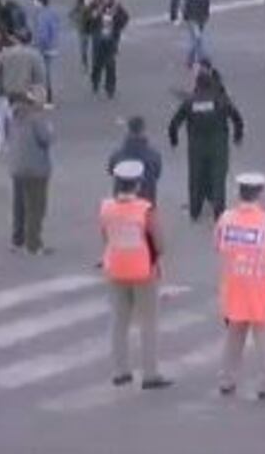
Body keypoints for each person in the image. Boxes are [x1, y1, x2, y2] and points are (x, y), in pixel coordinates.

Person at [214, 173, 265, 399]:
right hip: (260, 286)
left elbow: (218, 245)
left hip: (234, 283)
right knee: (263, 336)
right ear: (260, 193)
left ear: (240, 192)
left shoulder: (226, 219)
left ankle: (227, 379)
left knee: (234, 334)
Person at [100, 160, 173, 391]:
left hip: (115, 268)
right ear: (138, 184)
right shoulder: (145, 209)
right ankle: (150, 373)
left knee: (119, 321)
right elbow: (160, 244)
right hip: (143, 271)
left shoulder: (106, 207)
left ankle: (120, 370)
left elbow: (105, 236)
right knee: (148, 322)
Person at [168, 69, 244, 221]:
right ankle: (219, 211)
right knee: (218, 177)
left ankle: (195, 210)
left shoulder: (190, 101)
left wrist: (174, 140)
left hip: (196, 145)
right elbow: (237, 118)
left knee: (196, 177)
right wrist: (237, 136)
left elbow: (174, 123)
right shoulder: (220, 100)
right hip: (218, 144)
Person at [7, 86, 53, 255]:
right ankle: (33, 244)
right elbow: (46, 139)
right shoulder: (37, 118)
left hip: (17, 165)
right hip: (35, 167)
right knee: (35, 207)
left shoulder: (15, 115)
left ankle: (17, 240)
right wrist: (50, 128)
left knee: (19, 205)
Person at [108, 116, 163, 204]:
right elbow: (157, 174)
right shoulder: (154, 155)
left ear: (128, 130)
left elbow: (111, 171)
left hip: (121, 201)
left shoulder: (117, 155)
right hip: (147, 200)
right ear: (143, 130)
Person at [90, 0, 129, 99]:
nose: (105, 0)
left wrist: (116, 18)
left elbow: (125, 19)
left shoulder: (117, 8)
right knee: (97, 64)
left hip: (111, 40)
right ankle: (95, 81)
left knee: (110, 64)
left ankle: (110, 88)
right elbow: (90, 20)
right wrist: (97, 13)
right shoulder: (97, 7)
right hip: (99, 40)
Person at [0, 27, 46, 104]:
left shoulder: (4, 53)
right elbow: (40, 76)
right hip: (28, 91)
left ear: (16, 39)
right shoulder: (35, 54)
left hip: (9, 90)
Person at [183, 0, 212, 69]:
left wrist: (185, 13)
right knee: (198, 37)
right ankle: (199, 58)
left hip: (193, 14)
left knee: (196, 38)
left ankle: (195, 58)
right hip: (203, 13)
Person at [32, 0, 60, 105]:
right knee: (47, 72)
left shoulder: (42, 15)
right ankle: (47, 97)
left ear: (40, 2)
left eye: (35, 0)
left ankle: (46, 98)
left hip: (43, 48)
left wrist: (38, 46)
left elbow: (43, 34)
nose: (34, 3)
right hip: (52, 47)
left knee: (42, 73)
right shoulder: (52, 13)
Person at [70, 0, 98, 72]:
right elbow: (73, 13)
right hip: (83, 28)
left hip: (94, 27)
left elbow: (102, 9)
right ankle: (84, 64)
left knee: (96, 48)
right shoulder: (79, 0)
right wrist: (86, 6)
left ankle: (96, 65)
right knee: (83, 49)